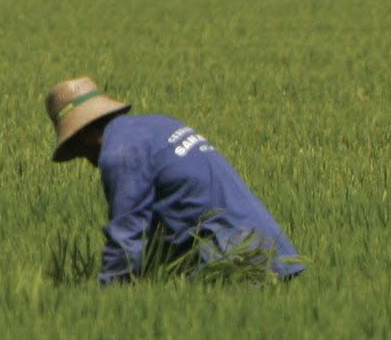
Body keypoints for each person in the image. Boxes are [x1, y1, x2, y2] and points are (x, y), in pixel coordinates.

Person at [45, 77, 303, 284]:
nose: (89, 162)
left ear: (83, 135)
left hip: (231, 261)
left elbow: (127, 237)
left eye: (80, 151)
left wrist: (107, 302)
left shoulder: (120, 153)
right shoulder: (158, 125)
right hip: (271, 248)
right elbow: (167, 221)